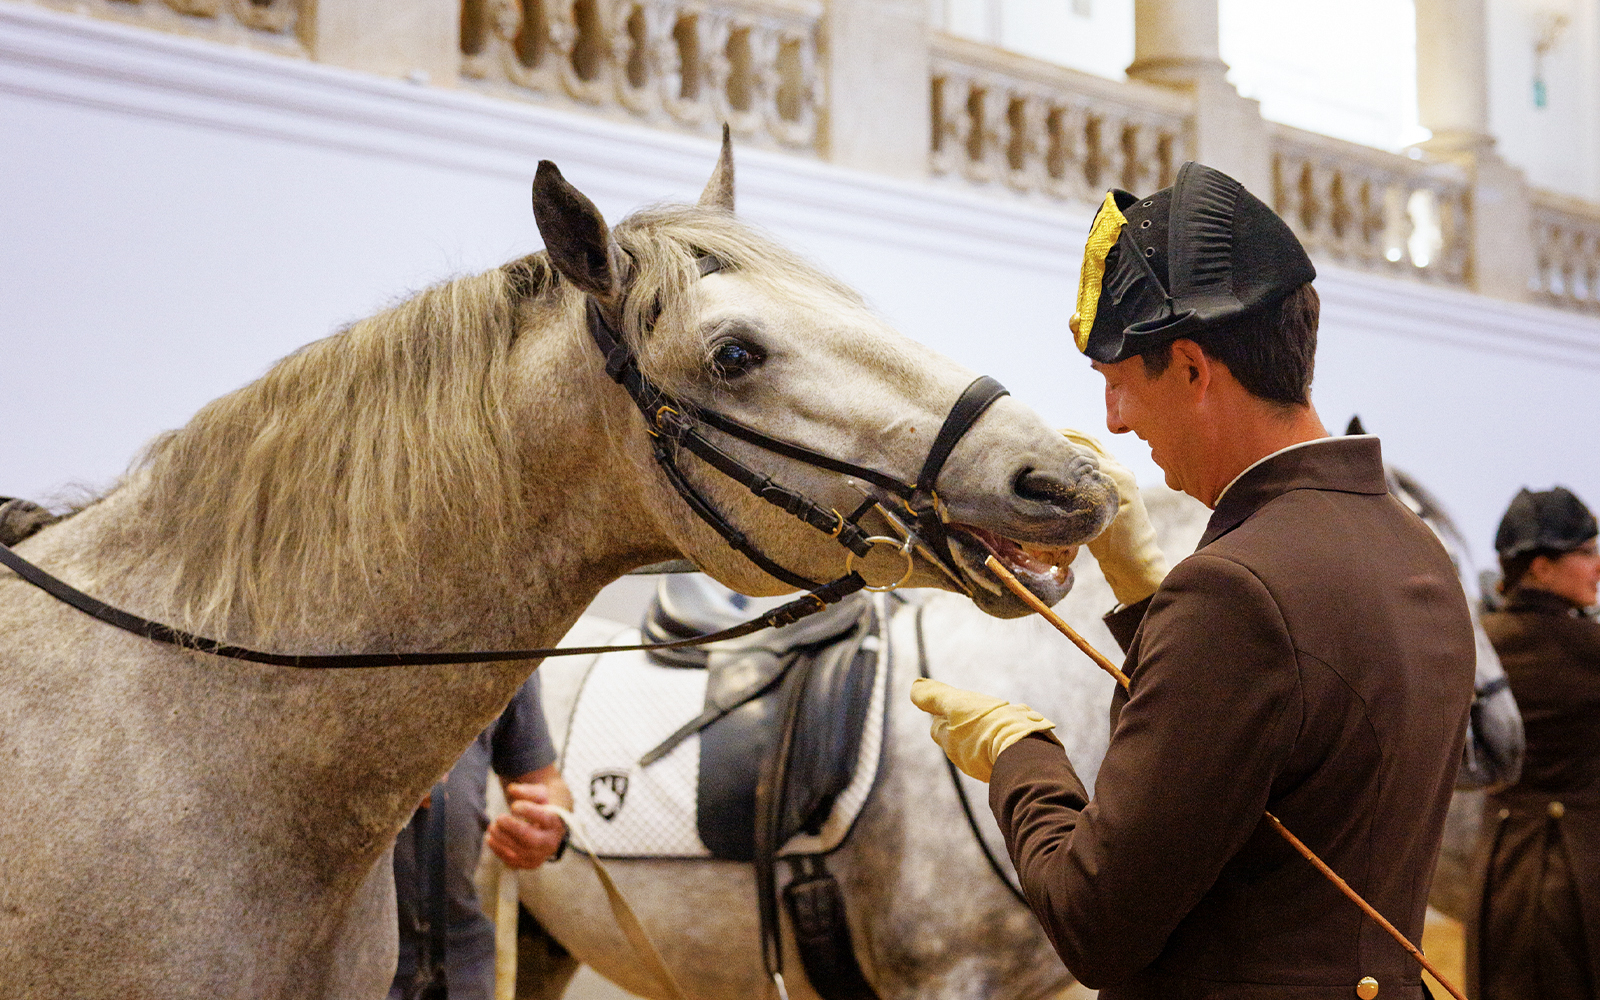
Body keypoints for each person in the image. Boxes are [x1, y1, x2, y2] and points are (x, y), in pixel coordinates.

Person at [910, 161, 1476, 999]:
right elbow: (1269, 760)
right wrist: (1146, 601)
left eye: (1117, 384)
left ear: (1191, 368)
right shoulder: (1413, 544)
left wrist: (1019, 756)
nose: (1114, 420)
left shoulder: (1235, 592)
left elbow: (1093, 921)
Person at [1470, 486, 1600, 1000]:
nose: (1597, 566)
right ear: (1541, 568)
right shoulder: (1590, 649)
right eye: (1586, 553)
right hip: (1577, 885)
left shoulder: (1478, 642)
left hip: (1497, 878)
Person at [390, 675, 573, 1000]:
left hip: (461, 955)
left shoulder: (508, 644)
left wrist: (551, 825)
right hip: (338, 953)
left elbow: (545, 779)